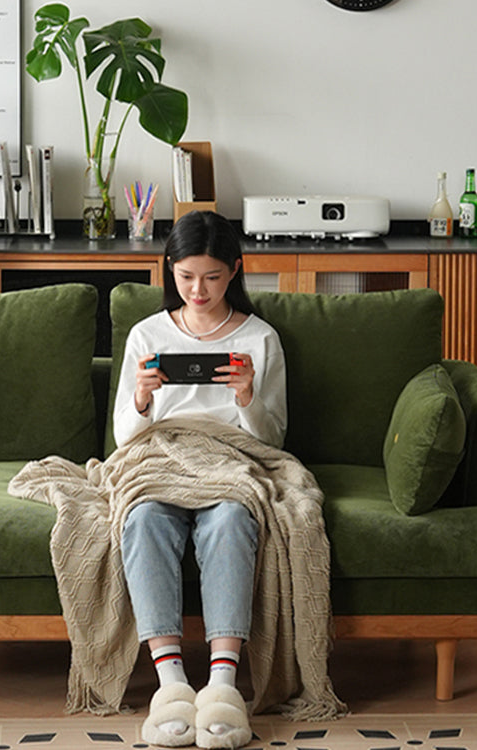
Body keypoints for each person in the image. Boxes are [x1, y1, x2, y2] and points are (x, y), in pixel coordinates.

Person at [113, 210, 287, 749]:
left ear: (235, 271)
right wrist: (142, 397)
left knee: (233, 520)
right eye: (186, 276)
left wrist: (246, 398)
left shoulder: (260, 339)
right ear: (170, 270)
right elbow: (126, 436)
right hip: (161, 458)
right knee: (142, 520)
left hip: (230, 461)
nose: (198, 289)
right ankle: (170, 685)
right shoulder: (147, 334)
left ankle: (222, 684)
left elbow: (271, 440)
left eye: (212, 277)